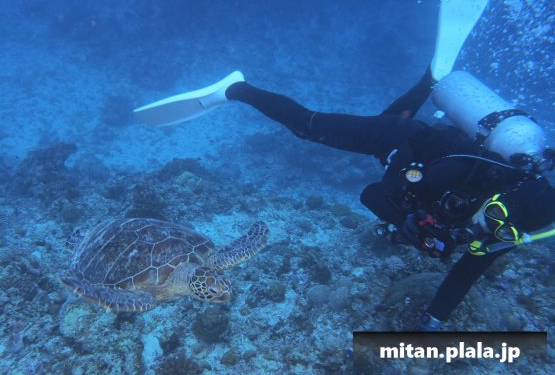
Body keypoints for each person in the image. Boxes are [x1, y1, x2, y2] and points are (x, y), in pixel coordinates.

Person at [136, 66, 555, 330]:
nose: (486, 229)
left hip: (416, 150)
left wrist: (433, 322)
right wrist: (407, 217)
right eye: (493, 217)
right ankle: (236, 89)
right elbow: (371, 194)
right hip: (408, 146)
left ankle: (431, 77)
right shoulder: (464, 175)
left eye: (501, 232)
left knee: (392, 123)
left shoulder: (508, 228)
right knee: (310, 125)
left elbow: (467, 271)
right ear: (502, 194)